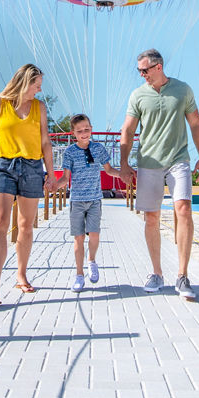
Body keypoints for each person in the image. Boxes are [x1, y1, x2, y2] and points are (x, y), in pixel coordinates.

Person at [119, 49, 199, 301]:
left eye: (145, 70)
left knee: (184, 210)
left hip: (178, 159)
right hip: (149, 162)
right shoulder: (138, 95)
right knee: (151, 218)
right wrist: (124, 163)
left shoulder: (183, 90)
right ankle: (157, 273)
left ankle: (182, 274)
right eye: (139, 71)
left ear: (159, 67)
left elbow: (196, 124)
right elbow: (127, 129)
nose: (142, 75)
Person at [0, 63, 56, 305]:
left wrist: (50, 173)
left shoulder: (39, 108)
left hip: (31, 168)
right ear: (24, 82)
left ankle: (21, 275)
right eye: (37, 86)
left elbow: (45, 142)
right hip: (2, 167)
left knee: (25, 226)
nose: (39, 91)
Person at [59, 114, 120, 292]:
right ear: (73, 133)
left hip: (95, 199)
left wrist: (122, 173)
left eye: (86, 129)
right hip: (77, 200)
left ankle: (91, 260)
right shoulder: (69, 152)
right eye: (80, 131)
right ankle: (79, 275)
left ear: (91, 129)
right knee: (78, 238)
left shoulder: (99, 148)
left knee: (94, 235)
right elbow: (65, 177)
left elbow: (108, 170)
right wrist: (55, 184)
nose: (84, 133)